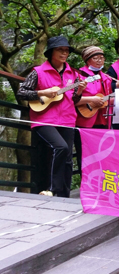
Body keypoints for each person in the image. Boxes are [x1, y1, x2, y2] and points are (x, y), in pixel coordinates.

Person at [17, 35, 87, 197]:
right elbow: (22, 92)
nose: (64, 53)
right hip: (44, 120)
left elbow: (75, 99)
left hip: (68, 119)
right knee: (60, 147)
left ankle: (64, 195)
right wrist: (42, 92)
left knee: (68, 159)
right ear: (51, 52)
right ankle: (52, 188)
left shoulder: (73, 74)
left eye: (66, 50)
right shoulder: (38, 72)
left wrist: (80, 91)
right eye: (60, 50)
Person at [75, 46, 113, 129]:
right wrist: (92, 99)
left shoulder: (106, 78)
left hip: (103, 118)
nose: (99, 61)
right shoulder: (79, 75)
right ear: (87, 60)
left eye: (102, 58)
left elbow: (108, 98)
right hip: (85, 117)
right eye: (95, 58)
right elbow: (73, 99)